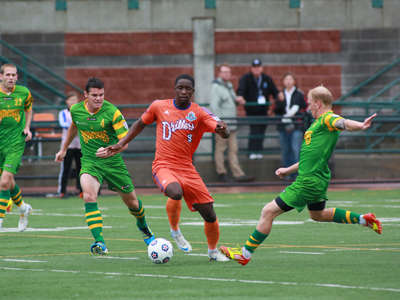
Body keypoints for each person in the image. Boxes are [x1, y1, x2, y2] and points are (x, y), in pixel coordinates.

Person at [220, 86, 382, 266]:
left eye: (310, 103)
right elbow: (310, 156)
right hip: (317, 178)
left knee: (268, 211)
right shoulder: (318, 123)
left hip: (308, 181)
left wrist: (360, 125)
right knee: (317, 215)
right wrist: (288, 169)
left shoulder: (326, 118)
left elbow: (341, 122)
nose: (309, 107)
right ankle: (363, 219)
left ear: (318, 103)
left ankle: (245, 253)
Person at [107, 74, 230, 261]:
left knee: (210, 213)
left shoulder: (199, 112)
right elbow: (140, 124)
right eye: (180, 88)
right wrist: (120, 143)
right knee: (175, 192)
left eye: (187, 89)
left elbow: (222, 130)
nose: (183, 92)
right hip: (163, 165)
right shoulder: (159, 106)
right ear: (175, 89)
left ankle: (213, 251)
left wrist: (223, 129)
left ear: (193, 92)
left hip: (187, 168)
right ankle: (175, 231)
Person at [55, 77, 155, 255]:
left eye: (101, 94)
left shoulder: (113, 112)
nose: (98, 98)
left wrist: (112, 151)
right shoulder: (76, 110)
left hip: (113, 163)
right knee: (88, 196)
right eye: (94, 95)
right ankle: (99, 242)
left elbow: (125, 142)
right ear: (86, 95)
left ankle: (143, 226)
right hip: (90, 162)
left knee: (132, 203)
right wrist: (64, 149)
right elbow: (73, 126)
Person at [0, 63, 33, 231]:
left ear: (17, 77)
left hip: (15, 142)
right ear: (1, 76)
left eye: (13, 75)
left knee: (4, 181)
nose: (11, 78)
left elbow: (28, 109)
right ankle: (23, 208)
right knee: (9, 182)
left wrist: (27, 127)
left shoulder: (24, 92)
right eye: (8, 75)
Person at [209, 63, 254, 183]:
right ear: (219, 74)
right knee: (220, 148)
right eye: (224, 72)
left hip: (232, 124)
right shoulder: (216, 87)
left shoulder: (228, 85)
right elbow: (214, 107)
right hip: (222, 125)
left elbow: (231, 101)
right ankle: (222, 173)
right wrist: (218, 124)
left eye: (228, 72)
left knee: (233, 149)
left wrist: (238, 100)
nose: (227, 74)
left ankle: (238, 174)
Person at [236, 59, 283, 160]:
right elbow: (241, 90)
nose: (257, 69)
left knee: (262, 130)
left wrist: (279, 95)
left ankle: (258, 150)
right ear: (252, 68)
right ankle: (251, 151)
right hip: (251, 111)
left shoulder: (266, 78)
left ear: (261, 68)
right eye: (254, 67)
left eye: (258, 67)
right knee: (254, 130)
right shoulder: (246, 78)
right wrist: (240, 96)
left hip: (263, 110)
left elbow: (274, 91)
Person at [274, 73, 308, 180]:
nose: (288, 81)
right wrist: (280, 101)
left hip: (296, 126)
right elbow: (276, 110)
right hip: (283, 126)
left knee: (295, 149)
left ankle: (297, 174)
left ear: (294, 81)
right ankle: (286, 174)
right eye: (286, 79)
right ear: (283, 82)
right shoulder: (280, 95)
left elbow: (305, 107)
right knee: (285, 150)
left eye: (290, 79)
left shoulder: (299, 94)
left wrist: (296, 112)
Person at [58, 92, 83, 199]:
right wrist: (76, 125)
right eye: (70, 100)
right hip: (67, 145)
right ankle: (62, 191)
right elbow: (63, 124)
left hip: (80, 145)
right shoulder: (63, 113)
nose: (73, 102)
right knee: (65, 169)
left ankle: (82, 191)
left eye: (75, 99)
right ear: (66, 101)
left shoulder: (82, 112)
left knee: (81, 169)